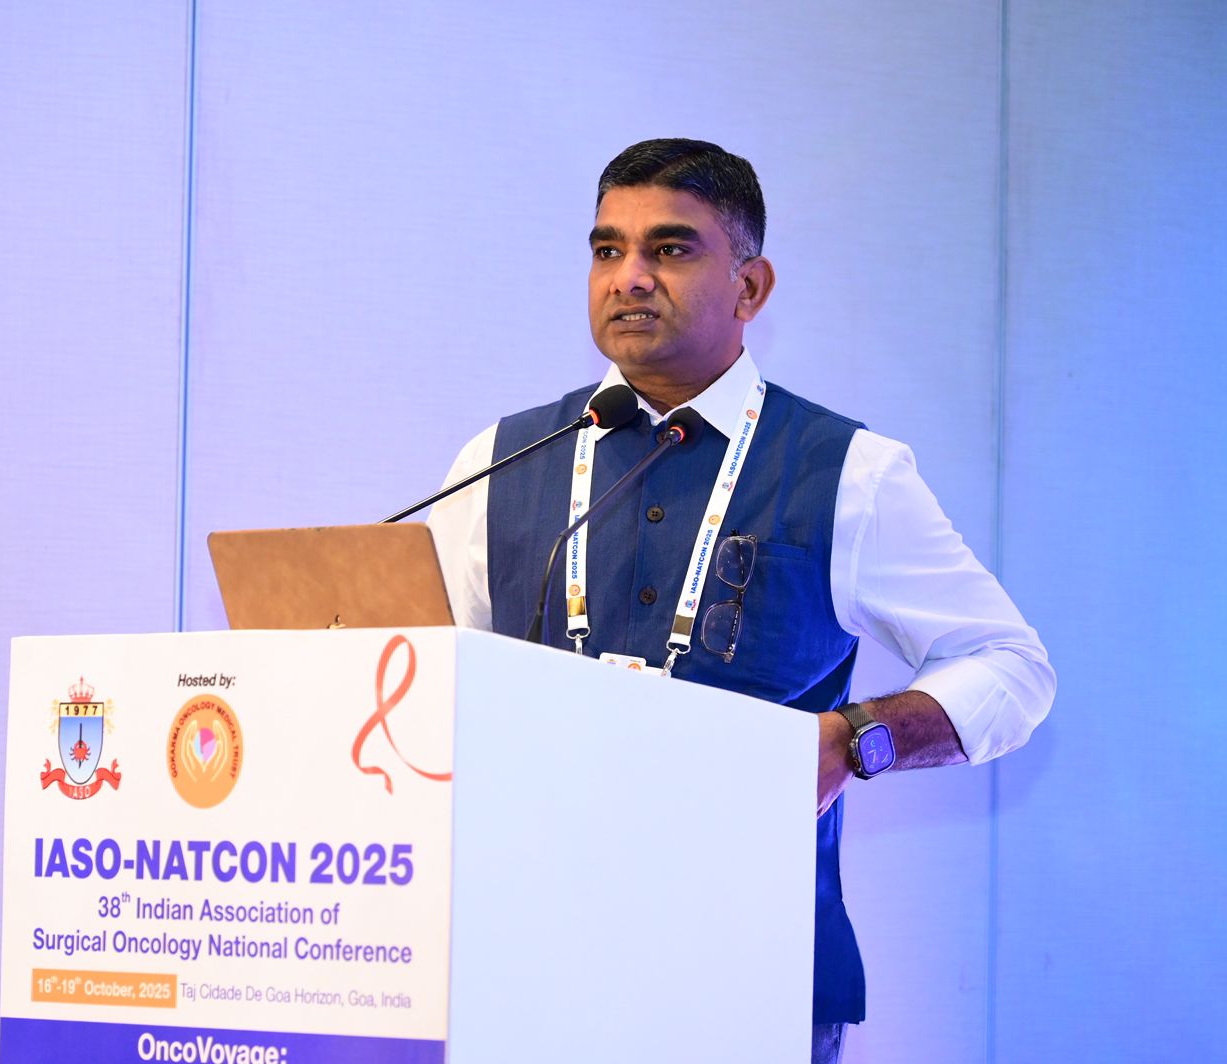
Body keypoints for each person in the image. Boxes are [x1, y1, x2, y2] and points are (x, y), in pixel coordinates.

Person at [425, 139, 1055, 1064]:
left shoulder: (848, 471)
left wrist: (856, 738)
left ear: (750, 287)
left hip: (755, 979)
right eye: (607, 250)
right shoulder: (502, 459)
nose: (630, 277)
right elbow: (427, 681)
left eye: (670, 249)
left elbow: (1012, 669)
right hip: (526, 965)